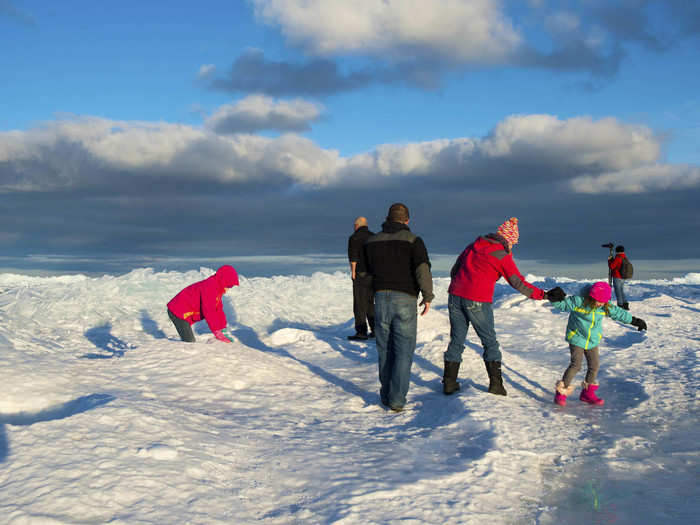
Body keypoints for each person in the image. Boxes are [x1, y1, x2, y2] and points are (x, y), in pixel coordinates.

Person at [442, 217, 566, 396]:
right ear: (508, 240)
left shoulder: (472, 246)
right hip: (477, 299)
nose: (513, 247)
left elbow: (454, 270)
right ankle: (496, 385)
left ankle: (449, 383)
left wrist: (461, 284)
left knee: (456, 340)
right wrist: (544, 295)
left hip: (455, 296)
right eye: (513, 243)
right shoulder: (501, 254)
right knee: (490, 342)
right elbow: (517, 282)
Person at [363, 203, 434, 412]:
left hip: (380, 299)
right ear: (407, 220)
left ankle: (385, 395)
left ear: (387, 218)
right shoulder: (414, 241)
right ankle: (396, 399)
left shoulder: (371, 242)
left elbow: (364, 275)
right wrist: (427, 295)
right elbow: (422, 269)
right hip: (405, 298)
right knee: (404, 350)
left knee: (384, 349)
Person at [550, 281, 647, 406]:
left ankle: (587, 394)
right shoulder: (579, 301)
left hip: (592, 340)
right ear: (591, 297)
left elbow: (618, 313)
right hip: (577, 338)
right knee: (576, 365)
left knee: (594, 366)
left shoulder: (604, 306)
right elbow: (562, 305)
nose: (600, 304)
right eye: (598, 301)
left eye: (603, 302)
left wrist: (635, 321)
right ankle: (561, 393)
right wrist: (553, 296)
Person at [167, 265, 239, 343]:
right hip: (177, 311)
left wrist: (223, 328)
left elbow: (218, 309)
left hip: (183, 310)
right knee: (189, 342)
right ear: (223, 281)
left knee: (188, 338)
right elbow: (209, 311)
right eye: (229, 285)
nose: (229, 288)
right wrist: (217, 332)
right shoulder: (210, 288)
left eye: (231, 286)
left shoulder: (217, 288)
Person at [347, 216, 375, 340]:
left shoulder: (354, 238)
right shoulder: (374, 237)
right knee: (370, 303)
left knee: (359, 304)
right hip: (374, 276)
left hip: (360, 274)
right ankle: (375, 330)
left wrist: (353, 272)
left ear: (356, 225)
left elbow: (353, 257)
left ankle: (361, 332)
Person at [608, 245, 629, 310]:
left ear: (617, 251)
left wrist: (609, 260)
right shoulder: (624, 257)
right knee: (621, 291)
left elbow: (612, 266)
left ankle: (620, 306)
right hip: (623, 277)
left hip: (617, 277)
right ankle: (625, 305)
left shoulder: (618, 257)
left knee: (618, 292)